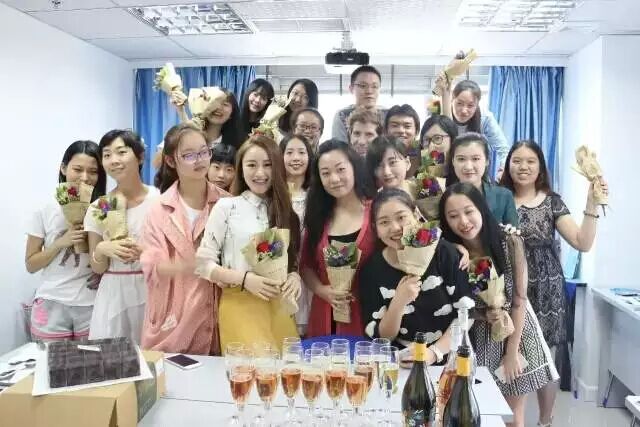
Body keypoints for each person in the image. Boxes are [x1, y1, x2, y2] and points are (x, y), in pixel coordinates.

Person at [499, 140, 608, 427]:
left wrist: (592, 204)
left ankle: (545, 421)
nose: (523, 167)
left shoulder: (552, 201)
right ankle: (511, 418)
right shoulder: (498, 198)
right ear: (508, 165)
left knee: (546, 356)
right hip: (508, 285)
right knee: (511, 351)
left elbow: (582, 242)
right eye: (517, 161)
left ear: (540, 167)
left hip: (546, 287)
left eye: (530, 161)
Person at [440, 182, 558, 427]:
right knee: (479, 413)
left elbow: (519, 301)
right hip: (478, 336)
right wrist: (454, 248)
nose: (463, 221)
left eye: (469, 211)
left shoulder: (509, 241)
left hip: (515, 332)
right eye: (453, 216)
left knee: (512, 417)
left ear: (481, 209)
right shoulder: (450, 252)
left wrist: (511, 353)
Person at [196, 135, 301, 350]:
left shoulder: (286, 212)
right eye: (252, 165)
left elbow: (291, 262)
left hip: (279, 306)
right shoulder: (226, 207)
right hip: (240, 304)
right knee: (252, 368)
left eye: (267, 165)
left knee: (288, 367)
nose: (260, 173)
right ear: (241, 168)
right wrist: (244, 279)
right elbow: (202, 264)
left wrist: (294, 276)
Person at [141, 123, 229, 355]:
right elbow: (152, 265)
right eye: (189, 155)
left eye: (203, 152)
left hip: (218, 316)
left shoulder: (227, 203)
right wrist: (191, 264)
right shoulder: (158, 210)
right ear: (171, 161)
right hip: (173, 321)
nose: (199, 160)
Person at [359, 188, 470, 357]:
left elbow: (466, 313)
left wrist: (434, 353)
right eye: (384, 222)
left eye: (401, 217)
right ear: (375, 228)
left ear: (416, 214)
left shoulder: (443, 252)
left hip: (449, 358)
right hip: (401, 360)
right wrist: (398, 302)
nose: (395, 228)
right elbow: (382, 337)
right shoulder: (371, 270)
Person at [25, 141, 106, 341]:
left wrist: (103, 274)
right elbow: (31, 264)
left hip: (92, 304)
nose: (85, 177)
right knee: (51, 360)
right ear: (63, 168)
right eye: (77, 169)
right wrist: (60, 243)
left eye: (93, 171)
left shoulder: (104, 207)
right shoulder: (44, 208)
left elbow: (112, 254)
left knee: (94, 361)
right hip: (52, 303)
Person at [85, 130, 160, 342]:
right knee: (112, 357)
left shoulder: (159, 199)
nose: (114, 160)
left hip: (152, 288)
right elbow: (97, 267)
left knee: (152, 354)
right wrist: (102, 249)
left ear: (140, 157)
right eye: (107, 155)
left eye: (121, 152)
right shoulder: (101, 205)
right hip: (113, 294)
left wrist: (145, 253)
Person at [300, 139, 376, 337]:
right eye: (325, 173)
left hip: (367, 314)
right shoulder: (318, 216)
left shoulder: (376, 212)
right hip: (324, 313)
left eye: (340, 169)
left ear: (354, 168)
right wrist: (321, 290)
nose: (334, 179)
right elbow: (306, 265)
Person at [152, 88, 243, 169]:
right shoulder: (182, 131)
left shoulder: (236, 144)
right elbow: (157, 164)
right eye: (214, 102)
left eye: (225, 104)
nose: (218, 107)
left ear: (232, 113)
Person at [280, 134, 314, 336]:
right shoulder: (273, 194)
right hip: (282, 271)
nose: (296, 158)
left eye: (302, 152)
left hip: (311, 270)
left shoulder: (317, 194)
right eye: (289, 152)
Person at [446, 132, 518, 226]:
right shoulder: (445, 196)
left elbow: (514, 233)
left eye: (475, 159)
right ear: (453, 161)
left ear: (487, 161)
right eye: (461, 159)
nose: (468, 167)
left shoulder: (504, 196)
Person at [445, 79, 510, 170]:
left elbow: (503, 149)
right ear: (452, 100)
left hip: (476, 169)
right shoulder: (443, 115)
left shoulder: (485, 118)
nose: (464, 110)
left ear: (477, 105)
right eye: (459, 103)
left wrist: (504, 169)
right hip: (448, 168)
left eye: (470, 105)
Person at [332, 66, 388, 142]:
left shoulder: (388, 115)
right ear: (351, 88)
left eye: (374, 86)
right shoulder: (342, 115)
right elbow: (339, 147)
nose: (369, 91)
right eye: (363, 86)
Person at [384, 104, 421, 176]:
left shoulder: (424, 154)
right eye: (395, 126)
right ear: (385, 131)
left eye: (407, 126)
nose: (401, 130)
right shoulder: (379, 154)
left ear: (416, 132)